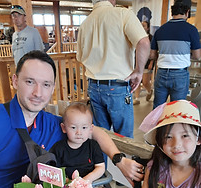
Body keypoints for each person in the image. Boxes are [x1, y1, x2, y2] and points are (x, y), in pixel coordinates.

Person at [0, 50, 144, 188]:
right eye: (29, 82)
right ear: (14, 81)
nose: (38, 92)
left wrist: (119, 160)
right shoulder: (0, 119)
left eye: (46, 84)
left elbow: (95, 131)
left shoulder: (52, 123)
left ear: (52, 89)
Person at [77, 0, 150, 138]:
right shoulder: (123, 14)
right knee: (124, 138)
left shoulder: (85, 23)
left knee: (100, 136)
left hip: (94, 86)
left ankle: (100, 160)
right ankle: (121, 160)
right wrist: (139, 71)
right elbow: (143, 42)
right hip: (118, 86)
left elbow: (80, 57)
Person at [150, 0, 201, 109]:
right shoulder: (191, 30)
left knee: (158, 108)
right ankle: (173, 126)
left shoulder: (160, 30)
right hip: (180, 74)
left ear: (172, 13)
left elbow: (152, 55)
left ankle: (158, 126)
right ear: (187, 13)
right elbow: (197, 56)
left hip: (161, 73)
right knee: (177, 109)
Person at [50, 102, 105, 182]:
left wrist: (85, 180)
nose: (79, 132)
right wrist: (69, 183)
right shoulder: (58, 148)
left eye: (84, 127)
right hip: (66, 187)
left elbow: (100, 167)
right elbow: (54, 172)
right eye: (73, 127)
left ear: (90, 129)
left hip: (91, 183)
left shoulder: (93, 146)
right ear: (64, 128)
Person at [133, 21, 154, 105]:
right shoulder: (136, 37)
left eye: (144, 26)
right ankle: (137, 98)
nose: (142, 27)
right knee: (136, 80)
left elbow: (154, 52)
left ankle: (149, 91)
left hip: (147, 62)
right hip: (137, 62)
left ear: (148, 28)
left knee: (145, 82)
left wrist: (151, 63)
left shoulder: (151, 38)